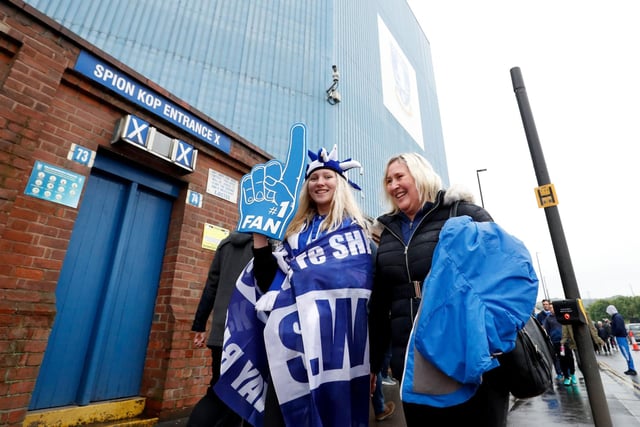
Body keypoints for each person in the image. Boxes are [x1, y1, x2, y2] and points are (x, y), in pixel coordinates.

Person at [368, 153, 536, 427]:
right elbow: (379, 305)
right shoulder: (388, 232)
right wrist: (374, 362)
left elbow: (509, 272)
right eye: (388, 180)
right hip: (415, 366)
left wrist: (492, 338)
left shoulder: (462, 212)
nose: (393, 185)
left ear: (420, 175)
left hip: (469, 360)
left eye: (400, 177)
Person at [224, 145, 374, 427]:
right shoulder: (294, 232)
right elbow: (268, 282)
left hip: (335, 351)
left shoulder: (358, 233)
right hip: (289, 346)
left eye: (327, 176)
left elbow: (365, 295)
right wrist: (259, 237)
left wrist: (376, 361)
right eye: (314, 178)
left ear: (339, 184)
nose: (320, 183)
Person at [187, 232, 253, 427]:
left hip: (220, 333)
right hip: (248, 334)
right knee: (244, 396)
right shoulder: (267, 245)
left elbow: (211, 286)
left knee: (221, 391)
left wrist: (199, 325)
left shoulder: (225, 244)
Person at [543, 303, 577, 386]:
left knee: (570, 358)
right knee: (562, 360)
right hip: (556, 342)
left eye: (553, 308)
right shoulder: (548, 318)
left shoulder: (562, 316)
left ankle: (572, 374)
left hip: (566, 341)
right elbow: (546, 330)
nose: (551, 309)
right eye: (550, 308)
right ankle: (566, 376)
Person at [606, 304, 637, 375]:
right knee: (626, 353)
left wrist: (613, 334)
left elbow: (619, 328)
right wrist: (611, 323)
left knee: (626, 353)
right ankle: (630, 368)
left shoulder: (616, 317)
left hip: (621, 337)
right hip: (621, 336)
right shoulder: (617, 317)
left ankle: (632, 369)